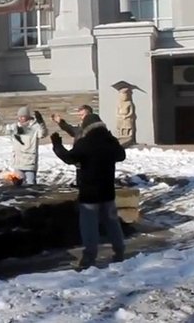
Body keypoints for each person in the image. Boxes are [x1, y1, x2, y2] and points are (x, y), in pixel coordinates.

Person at [50, 114, 127, 270]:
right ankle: (119, 251)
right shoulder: (110, 141)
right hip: (107, 191)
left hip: (90, 192)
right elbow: (121, 155)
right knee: (112, 222)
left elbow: (70, 158)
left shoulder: (85, 143)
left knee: (89, 225)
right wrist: (111, 138)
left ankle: (89, 257)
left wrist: (57, 145)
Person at [0, 105, 48, 186]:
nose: (21, 118)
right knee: (17, 185)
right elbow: (3, 129)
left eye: (23, 116)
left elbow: (43, 134)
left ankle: (32, 198)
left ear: (28, 117)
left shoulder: (34, 128)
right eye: (20, 116)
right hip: (18, 162)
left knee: (31, 185)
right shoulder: (15, 127)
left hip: (30, 163)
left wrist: (41, 122)